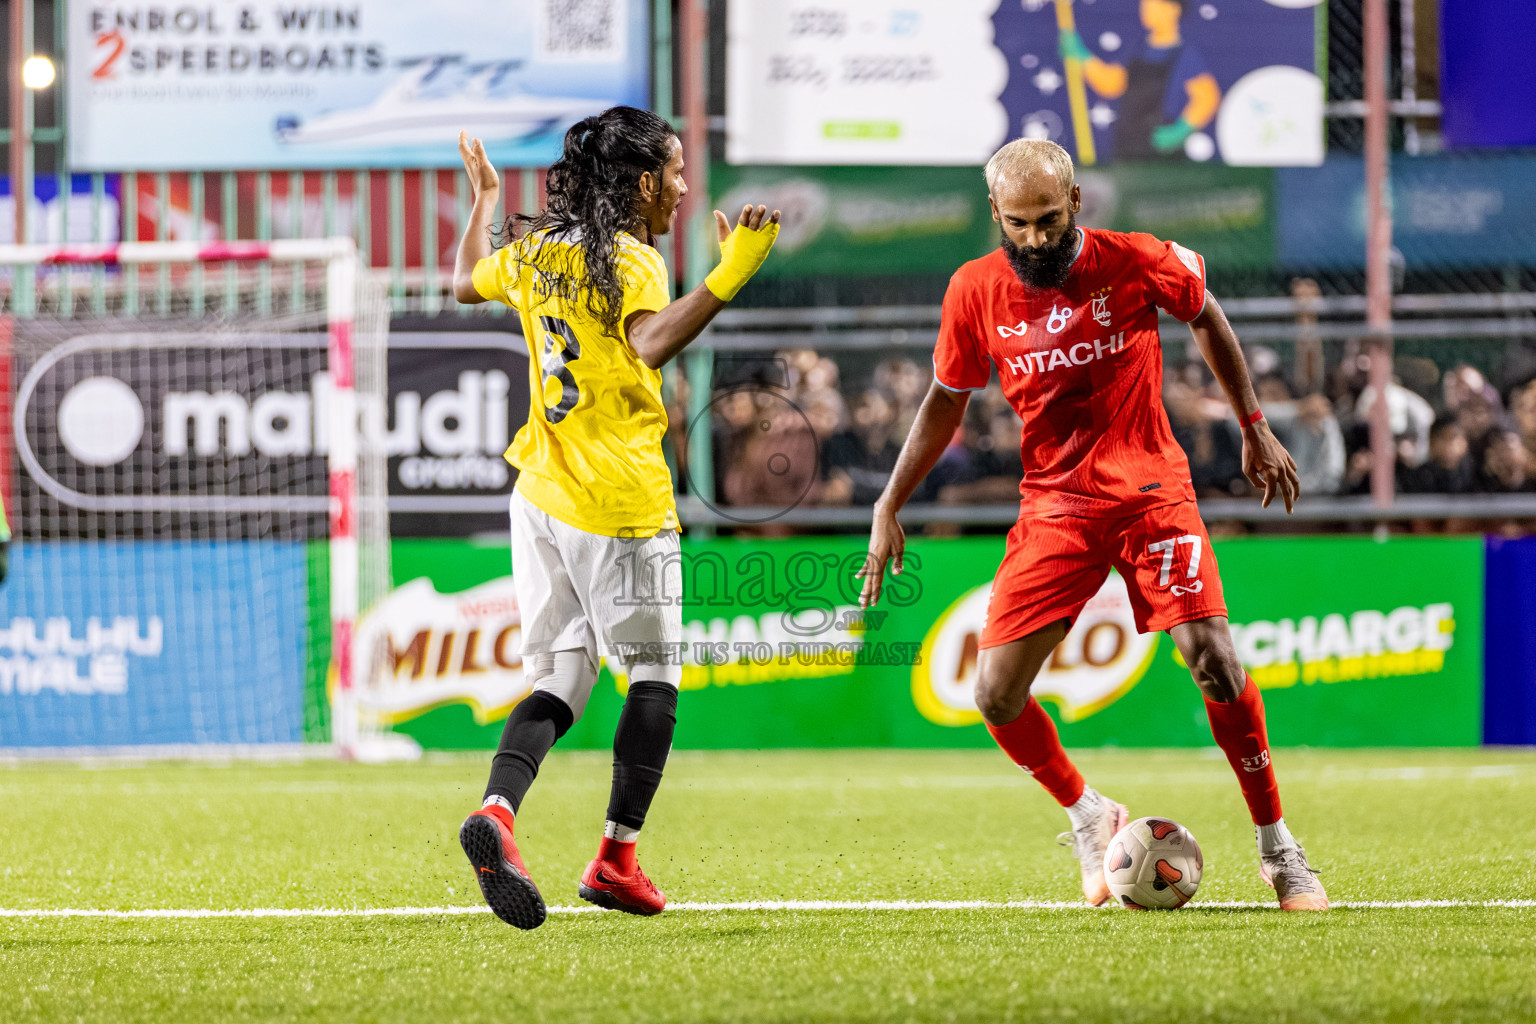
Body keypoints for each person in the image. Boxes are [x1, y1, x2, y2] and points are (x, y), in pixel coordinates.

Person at [857, 138, 1327, 911]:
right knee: (996, 695)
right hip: (1053, 506)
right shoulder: (972, 290)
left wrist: (1252, 422)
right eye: (1019, 224)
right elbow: (946, 400)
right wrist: (889, 502)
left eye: (1048, 219)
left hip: (1150, 491)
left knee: (1213, 658)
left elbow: (1205, 312)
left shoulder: (1137, 260)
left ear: (1075, 202)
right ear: (995, 215)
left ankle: (1279, 847)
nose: (1035, 239)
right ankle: (1088, 814)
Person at [451, 106, 780, 928]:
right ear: (640, 182)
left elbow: (463, 282)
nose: (682, 185)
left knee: (561, 676)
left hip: (539, 491)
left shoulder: (534, 250)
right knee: (655, 678)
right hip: (619, 501)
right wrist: (727, 276)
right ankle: (615, 860)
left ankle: (497, 810)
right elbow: (650, 343)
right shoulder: (631, 260)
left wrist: (486, 200)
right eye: (673, 171)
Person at [1061, 0, 1221, 160]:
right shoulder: (1136, 49)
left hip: (1160, 152)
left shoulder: (1185, 55)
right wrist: (1083, 57)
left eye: (1156, 4)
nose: (1148, 9)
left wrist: (1181, 130)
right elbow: (1113, 84)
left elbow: (1207, 97)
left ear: (1174, 9)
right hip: (1126, 147)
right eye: (1146, 4)